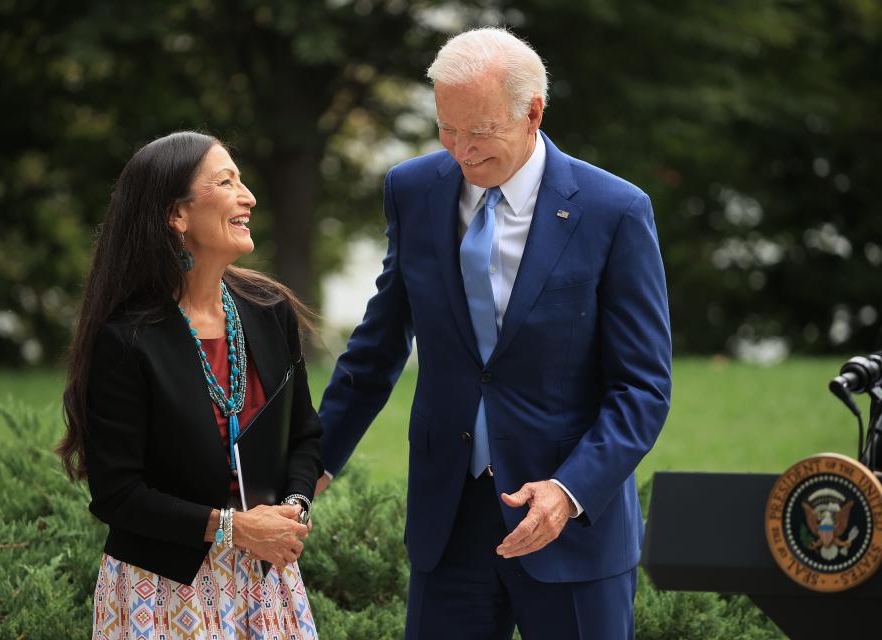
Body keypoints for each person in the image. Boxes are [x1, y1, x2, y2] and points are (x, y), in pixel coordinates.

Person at [316, 28, 671, 639]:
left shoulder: (615, 211)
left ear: (532, 113)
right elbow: (377, 347)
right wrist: (311, 462)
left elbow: (642, 388)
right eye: (445, 128)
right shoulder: (413, 191)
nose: (459, 150)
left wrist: (569, 490)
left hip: (569, 525)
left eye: (477, 131)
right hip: (448, 522)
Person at [58, 131, 322, 639]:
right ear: (176, 216)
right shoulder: (127, 340)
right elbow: (117, 494)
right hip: (161, 594)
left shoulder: (269, 312)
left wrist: (294, 507)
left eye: (242, 181)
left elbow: (304, 436)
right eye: (226, 182)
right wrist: (233, 529)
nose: (249, 196)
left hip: (266, 581)